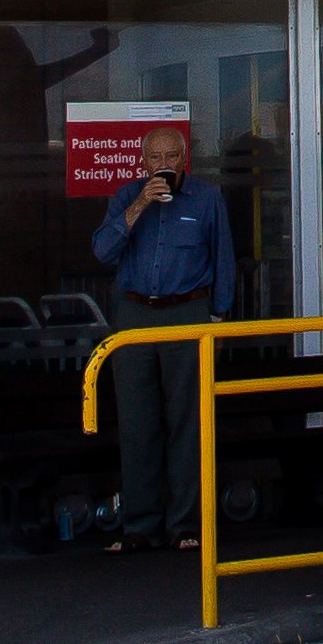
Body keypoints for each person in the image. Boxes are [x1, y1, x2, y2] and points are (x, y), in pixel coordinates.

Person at [87, 122, 234, 552]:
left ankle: (186, 525)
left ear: (184, 160)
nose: (164, 165)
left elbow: (224, 260)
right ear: (142, 162)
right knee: (137, 424)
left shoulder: (207, 199)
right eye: (156, 158)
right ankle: (139, 525)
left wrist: (219, 320)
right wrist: (138, 207)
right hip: (134, 313)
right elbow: (100, 251)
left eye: (172, 157)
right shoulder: (125, 196)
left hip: (188, 311)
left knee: (188, 423)